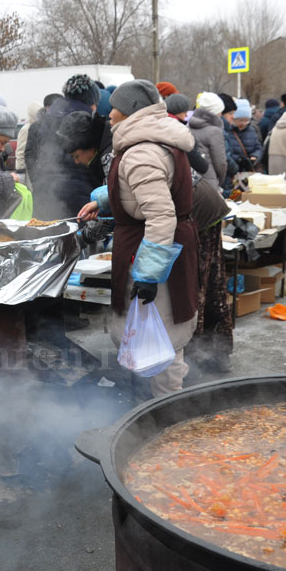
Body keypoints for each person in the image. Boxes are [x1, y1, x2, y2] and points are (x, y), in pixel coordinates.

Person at [77, 80, 198, 398]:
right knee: (163, 333)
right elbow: (142, 189)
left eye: (114, 108)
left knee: (161, 338)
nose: (108, 114)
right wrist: (104, 200)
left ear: (131, 111)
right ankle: (165, 395)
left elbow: (160, 215)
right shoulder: (149, 143)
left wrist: (149, 274)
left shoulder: (141, 151)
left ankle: (166, 408)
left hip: (153, 251)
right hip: (163, 246)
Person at [32, 74, 104, 219]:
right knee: (78, 236)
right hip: (78, 190)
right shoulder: (83, 120)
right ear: (90, 101)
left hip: (45, 188)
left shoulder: (49, 116)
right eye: (95, 103)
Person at [188, 92, 228, 190]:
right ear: (214, 112)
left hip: (191, 180)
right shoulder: (215, 131)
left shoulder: (188, 127)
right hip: (209, 181)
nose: (221, 114)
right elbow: (220, 163)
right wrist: (220, 180)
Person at [226, 99, 263, 172]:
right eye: (240, 120)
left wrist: (255, 156)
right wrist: (239, 159)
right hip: (234, 170)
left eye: (246, 120)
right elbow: (226, 153)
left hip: (249, 170)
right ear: (233, 119)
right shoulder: (227, 132)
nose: (243, 123)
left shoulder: (251, 130)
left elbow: (258, 147)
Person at [15, 100, 43, 177]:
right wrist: (20, 171)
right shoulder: (26, 129)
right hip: (28, 171)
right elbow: (20, 152)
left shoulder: (41, 127)